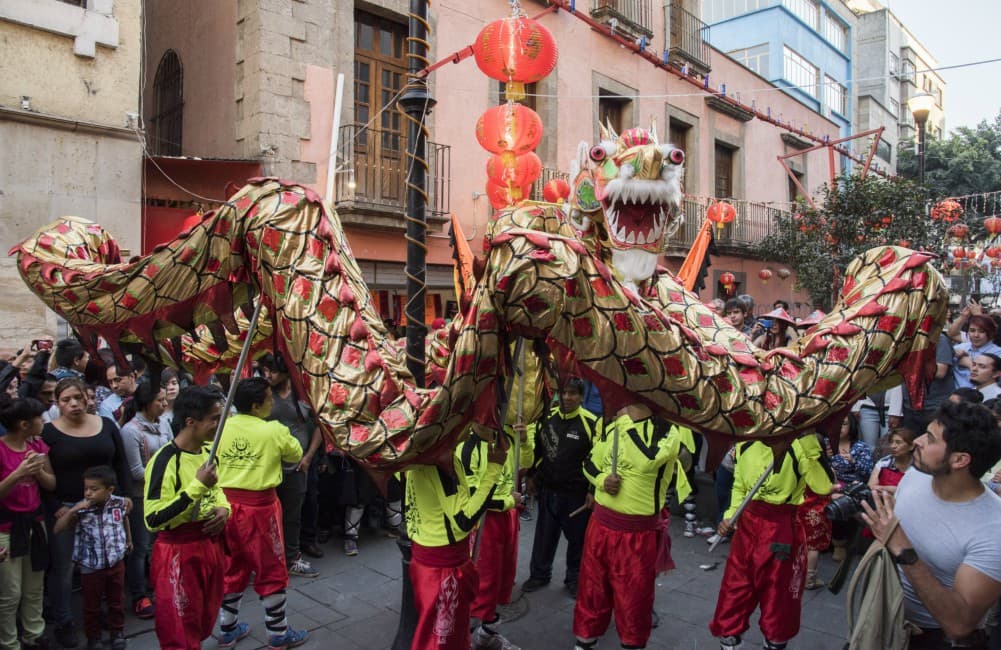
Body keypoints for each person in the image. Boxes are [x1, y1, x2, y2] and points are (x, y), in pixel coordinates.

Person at [861, 401, 1001, 648]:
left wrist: (903, 549)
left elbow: (959, 625)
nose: (918, 441)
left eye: (931, 439)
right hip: (882, 617)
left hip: (931, 639)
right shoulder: (919, 473)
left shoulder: (993, 531)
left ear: (959, 459)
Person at [709, 433, 833, 650]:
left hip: (782, 531)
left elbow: (823, 487)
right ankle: (730, 641)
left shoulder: (800, 446)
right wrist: (730, 516)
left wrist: (809, 442)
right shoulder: (746, 444)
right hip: (747, 530)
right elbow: (739, 486)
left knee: (778, 601)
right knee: (734, 593)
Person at [573, 404, 681, 650]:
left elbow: (647, 461)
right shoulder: (613, 427)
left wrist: (627, 424)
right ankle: (584, 642)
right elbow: (590, 463)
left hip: (636, 535)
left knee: (633, 600)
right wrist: (601, 481)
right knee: (592, 590)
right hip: (600, 526)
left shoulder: (667, 431)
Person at [215, 377, 308, 649]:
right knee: (270, 567)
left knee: (232, 566)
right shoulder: (273, 430)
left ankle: (227, 628)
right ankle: (278, 632)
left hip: (227, 506)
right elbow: (295, 453)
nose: (271, 401)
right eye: (268, 398)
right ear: (256, 406)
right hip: (260, 508)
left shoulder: (223, 426)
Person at [43, 377, 132, 648]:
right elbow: (43, 476)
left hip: (107, 507)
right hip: (69, 507)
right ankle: (64, 620)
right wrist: (56, 506)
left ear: (87, 398)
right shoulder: (49, 432)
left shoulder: (105, 425)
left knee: (107, 563)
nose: (73, 404)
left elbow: (120, 461)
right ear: (57, 404)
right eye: (66, 399)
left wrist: (126, 495)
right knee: (65, 567)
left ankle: (108, 619)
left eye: (78, 398)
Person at [144, 385, 230, 650]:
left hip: (208, 547)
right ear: (191, 421)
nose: (219, 424)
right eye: (214, 418)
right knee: (180, 627)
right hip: (178, 555)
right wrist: (195, 487)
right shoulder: (165, 460)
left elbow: (217, 491)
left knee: (203, 619)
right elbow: (154, 519)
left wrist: (224, 508)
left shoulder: (207, 452)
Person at [405, 425, 507, 650]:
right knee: (441, 637)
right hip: (443, 568)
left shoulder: (416, 455)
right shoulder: (441, 463)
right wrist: (493, 469)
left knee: (438, 630)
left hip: (425, 558)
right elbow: (463, 519)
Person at [522, 378, 601, 597]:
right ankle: (539, 575)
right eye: (563, 392)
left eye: (572, 393)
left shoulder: (592, 423)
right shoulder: (546, 419)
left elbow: (599, 460)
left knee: (577, 541)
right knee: (544, 537)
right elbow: (538, 453)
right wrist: (530, 477)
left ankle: (574, 579)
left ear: (581, 397)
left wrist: (592, 491)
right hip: (548, 491)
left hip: (576, 496)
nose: (567, 397)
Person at [460, 416, 533, 649]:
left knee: (504, 577)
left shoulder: (507, 438)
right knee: (483, 580)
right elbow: (474, 496)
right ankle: (464, 637)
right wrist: (507, 502)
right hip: (484, 523)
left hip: (509, 518)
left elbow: (527, 463)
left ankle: (486, 633)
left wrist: (524, 442)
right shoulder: (465, 448)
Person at [258, 354, 324, 577]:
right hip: (270, 466)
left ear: (286, 372)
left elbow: (319, 427)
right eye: (265, 371)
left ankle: (292, 557)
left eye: (272, 371)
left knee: (293, 515)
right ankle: (269, 559)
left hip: (298, 466)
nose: (268, 376)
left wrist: (308, 458)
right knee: (269, 515)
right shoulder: (264, 395)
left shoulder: (303, 393)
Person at [54, 466, 131, 650]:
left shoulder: (119, 503)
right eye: (86, 488)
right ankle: (93, 637)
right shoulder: (80, 509)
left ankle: (117, 632)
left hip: (115, 559)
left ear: (109, 490)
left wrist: (129, 539)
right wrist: (73, 511)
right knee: (91, 605)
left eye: (94, 489)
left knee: (116, 600)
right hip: (91, 565)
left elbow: (125, 517)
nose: (88, 493)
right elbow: (58, 529)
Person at [0, 397, 54, 650]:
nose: (43, 422)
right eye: (39, 419)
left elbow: (51, 484)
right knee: (10, 594)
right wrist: (18, 474)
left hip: (35, 523)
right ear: (23, 424)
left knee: (34, 587)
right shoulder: (0, 449)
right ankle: (9, 643)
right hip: (6, 529)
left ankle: (34, 635)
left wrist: (38, 471)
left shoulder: (38, 446)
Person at [119, 383, 171, 619]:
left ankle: (159, 585)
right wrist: (166, 474)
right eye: (160, 400)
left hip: (164, 494)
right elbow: (135, 471)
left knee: (159, 543)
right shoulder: (130, 432)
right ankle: (139, 595)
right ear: (146, 403)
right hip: (141, 497)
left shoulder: (163, 423)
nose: (165, 404)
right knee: (141, 547)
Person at [901, 333, 956, 434]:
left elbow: (940, 371)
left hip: (934, 406)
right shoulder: (905, 338)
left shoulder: (938, 339)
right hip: (909, 405)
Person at [952, 314, 1001, 389]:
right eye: (972, 331)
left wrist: (969, 364)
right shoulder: (959, 348)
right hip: (955, 396)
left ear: (990, 333)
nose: (976, 335)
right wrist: (952, 355)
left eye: (981, 332)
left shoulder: (998, 353)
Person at [867, 426, 916, 494]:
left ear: (911, 446)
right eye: (891, 442)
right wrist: (890, 489)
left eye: (898, 442)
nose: (893, 446)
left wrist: (884, 489)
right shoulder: (884, 462)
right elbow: (870, 487)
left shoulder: (919, 467)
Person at [159, 368, 181, 438]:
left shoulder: (185, 410)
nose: (171, 387)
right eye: (166, 384)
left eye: (174, 383)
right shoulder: (156, 413)